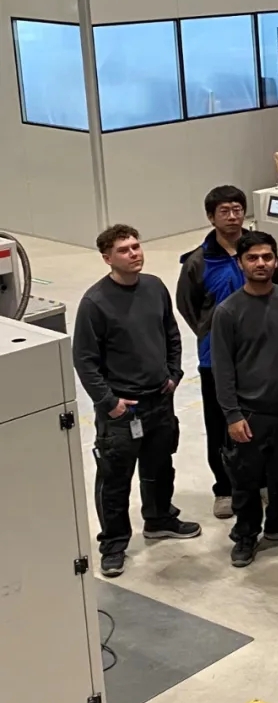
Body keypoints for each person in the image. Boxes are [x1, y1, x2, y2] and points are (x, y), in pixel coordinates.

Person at [73, 224, 201, 578]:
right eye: (124, 250)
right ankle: (113, 544)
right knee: (115, 478)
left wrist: (173, 374)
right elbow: (85, 360)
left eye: (136, 246)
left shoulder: (155, 287)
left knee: (160, 466)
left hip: (159, 399)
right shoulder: (95, 303)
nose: (134, 253)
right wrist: (108, 402)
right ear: (107, 258)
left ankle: (159, 519)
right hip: (123, 409)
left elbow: (171, 333)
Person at [178, 185, 278, 520]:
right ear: (211, 217)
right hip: (215, 360)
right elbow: (188, 306)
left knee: (262, 423)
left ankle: (262, 481)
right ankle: (224, 488)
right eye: (224, 211)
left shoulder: (259, 251)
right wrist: (212, 334)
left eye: (237, 209)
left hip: (260, 356)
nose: (233, 216)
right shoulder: (198, 261)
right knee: (221, 424)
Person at [211, 231, 278, 568]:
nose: (261, 263)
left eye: (267, 257)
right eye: (252, 258)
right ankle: (245, 534)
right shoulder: (228, 311)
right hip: (248, 414)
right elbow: (222, 368)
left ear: (276, 261)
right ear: (240, 263)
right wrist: (232, 415)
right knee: (245, 480)